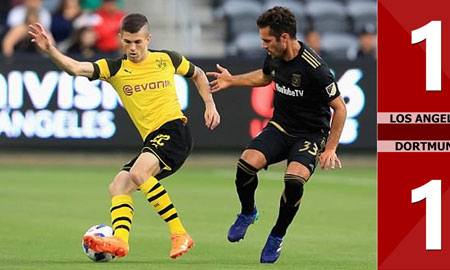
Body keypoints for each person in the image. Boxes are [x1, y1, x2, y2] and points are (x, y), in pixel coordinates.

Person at [28, 13, 220, 259]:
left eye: (137, 42)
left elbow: (198, 74)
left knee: (139, 173)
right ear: (120, 39)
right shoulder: (115, 68)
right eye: (127, 42)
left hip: (174, 131)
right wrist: (50, 50)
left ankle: (179, 233)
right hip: (153, 140)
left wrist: (210, 104)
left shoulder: (167, 59)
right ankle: (120, 240)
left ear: (148, 39)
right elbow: (76, 68)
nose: (132, 48)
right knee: (118, 185)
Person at [207, 6, 346, 264]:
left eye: (267, 40)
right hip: (281, 127)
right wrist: (232, 80)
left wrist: (331, 148)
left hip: (310, 135)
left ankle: (277, 236)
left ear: (284, 38)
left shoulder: (316, 68)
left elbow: (340, 108)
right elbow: (264, 76)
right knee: (246, 165)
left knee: (294, 181)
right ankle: (248, 212)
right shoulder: (274, 56)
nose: (263, 45)